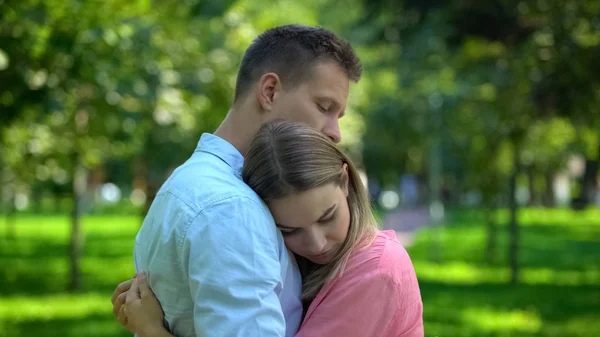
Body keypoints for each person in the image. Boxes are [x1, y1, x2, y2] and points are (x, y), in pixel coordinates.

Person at [110, 24, 362, 337]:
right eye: (325, 107)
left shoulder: (182, 184)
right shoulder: (231, 209)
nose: (335, 132)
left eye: (339, 116)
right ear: (269, 91)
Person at [117, 121, 424, 337]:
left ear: (345, 181)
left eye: (327, 217)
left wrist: (152, 331)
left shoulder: (376, 271)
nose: (316, 244)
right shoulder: (316, 265)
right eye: (290, 231)